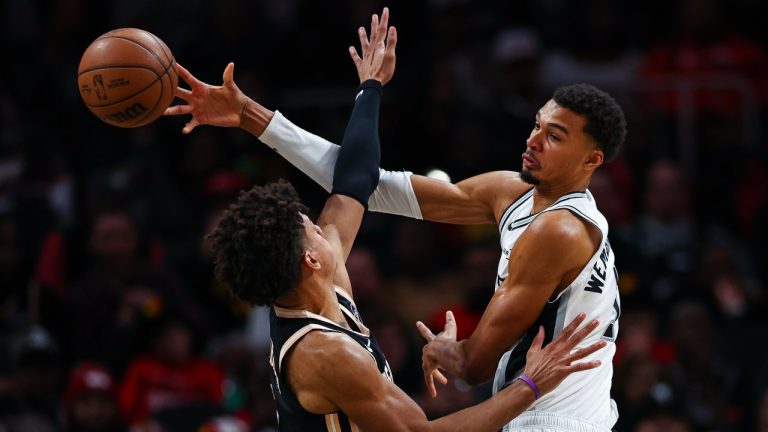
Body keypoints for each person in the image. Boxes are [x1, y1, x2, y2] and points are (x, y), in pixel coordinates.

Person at [166, 8, 618, 431]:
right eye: (314, 229)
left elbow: (357, 181)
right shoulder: (324, 348)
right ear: (310, 259)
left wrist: (266, 112)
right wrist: (523, 381)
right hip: (542, 409)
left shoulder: (319, 279)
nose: (325, 227)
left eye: (553, 135)